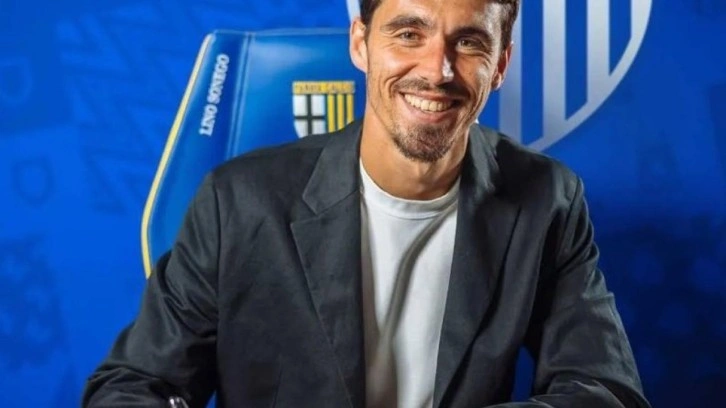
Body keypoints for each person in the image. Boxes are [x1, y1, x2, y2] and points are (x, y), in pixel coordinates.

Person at [83, 0, 651, 407]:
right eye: (409, 33)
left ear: (500, 64)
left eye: (469, 42)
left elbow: (604, 389)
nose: (437, 70)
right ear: (360, 44)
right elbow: (134, 386)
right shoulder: (236, 201)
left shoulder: (547, 199)